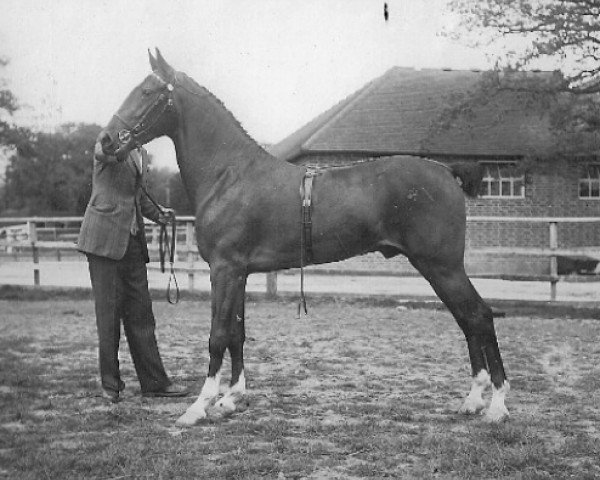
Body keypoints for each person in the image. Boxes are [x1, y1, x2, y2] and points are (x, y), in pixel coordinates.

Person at [77, 141, 188, 403]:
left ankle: (155, 383)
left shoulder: (142, 153)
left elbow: (136, 197)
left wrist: (159, 215)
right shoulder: (111, 142)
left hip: (133, 245)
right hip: (104, 242)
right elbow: (102, 152)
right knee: (109, 316)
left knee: (142, 315)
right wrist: (114, 145)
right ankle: (111, 386)